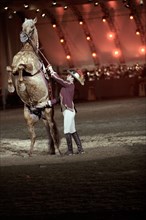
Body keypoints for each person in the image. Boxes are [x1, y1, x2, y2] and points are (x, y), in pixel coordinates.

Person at [46, 64, 85, 155]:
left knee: (66, 131)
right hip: (68, 110)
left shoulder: (69, 85)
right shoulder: (66, 87)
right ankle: (80, 149)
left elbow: (59, 80)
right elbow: (59, 99)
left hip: (68, 111)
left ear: (72, 79)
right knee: (72, 131)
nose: (67, 76)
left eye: (69, 75)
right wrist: (49, 103)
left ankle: (70, 151)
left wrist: (52, 71)